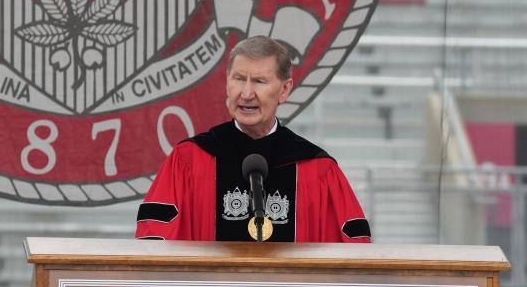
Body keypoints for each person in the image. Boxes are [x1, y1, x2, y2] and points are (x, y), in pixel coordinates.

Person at [135, 35, 371, 242]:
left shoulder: (317, 168)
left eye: (259, 81)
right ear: (226, 82)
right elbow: (154, 245)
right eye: (238, 79)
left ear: (285, 90)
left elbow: (350, 257)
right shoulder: (188, 159)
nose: (246, 93)